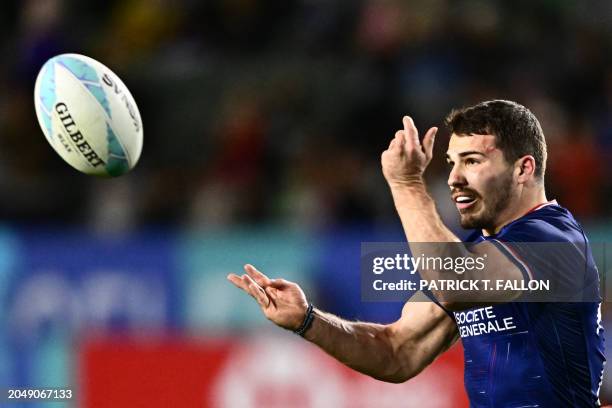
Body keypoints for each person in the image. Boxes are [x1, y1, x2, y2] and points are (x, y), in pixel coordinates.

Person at [228, 100, 605, 407]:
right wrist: (307, 320)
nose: (455, 177)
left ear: (524, 169)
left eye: (472, 161)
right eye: (451, 163)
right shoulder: (482, 257)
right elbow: (397, 350)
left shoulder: (553, 241)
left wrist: (407, 184)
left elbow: (453, 283)